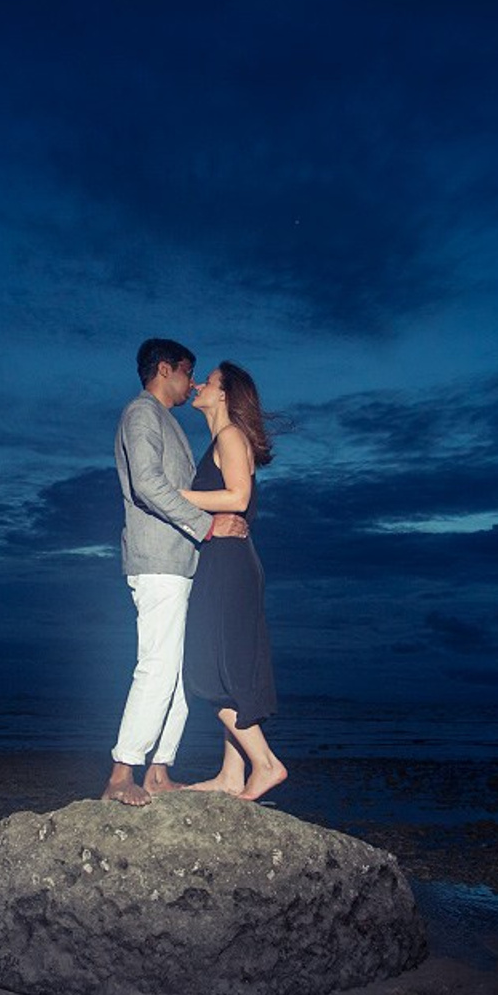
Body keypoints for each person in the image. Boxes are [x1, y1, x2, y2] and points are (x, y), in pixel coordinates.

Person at [103, 339, 249, 807]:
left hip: (181, 562)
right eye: (188, 373)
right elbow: (148, 486)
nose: (192, 383)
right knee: (157, 665)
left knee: (181, 672)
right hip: (158, 561)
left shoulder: (167, 422)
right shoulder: (142, 413)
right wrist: (208, 527)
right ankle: (122, 771)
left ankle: (159, 771)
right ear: (165, 370)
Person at [179, 361, 286, 802]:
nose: (199, 384)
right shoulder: (220, 440)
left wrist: (173, 497)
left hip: (228, 564)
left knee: (206, 669)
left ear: (224, 395)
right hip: (229, 561)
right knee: (231, 664)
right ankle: (231, 773)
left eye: (209, 381)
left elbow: (238, 497)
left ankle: (265, 764)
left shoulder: (229, 436)